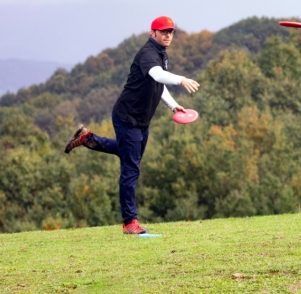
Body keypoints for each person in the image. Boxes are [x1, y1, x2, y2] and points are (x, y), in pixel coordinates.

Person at [63, 15, 200, 234]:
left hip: (142, 120)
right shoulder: (148, 53)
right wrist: (181, 79)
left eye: (171, 32)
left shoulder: (161, 55)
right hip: (127, 118)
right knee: (131, 168)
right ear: (152, 33)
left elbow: (158, 83)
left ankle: (88, 138)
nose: (168, 35)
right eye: (163, 31)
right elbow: (157, 74)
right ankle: (130, 222)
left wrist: (174, 106)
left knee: (130, 153)